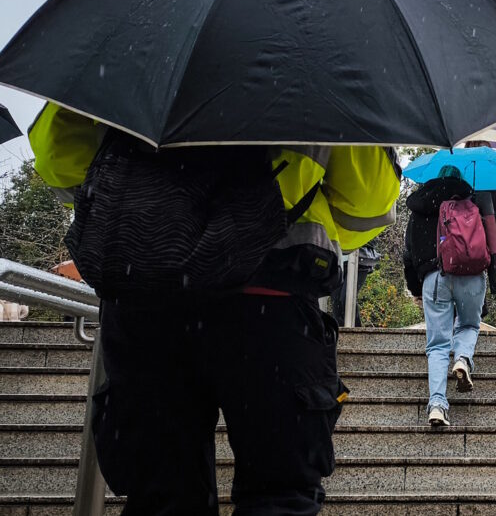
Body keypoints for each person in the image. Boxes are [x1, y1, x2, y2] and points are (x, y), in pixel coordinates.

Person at [29, 102, 401, 515]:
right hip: (268, 302)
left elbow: (59, 160)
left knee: (162, 495)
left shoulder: (124, 49)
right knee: (280, 494)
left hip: (146, 296)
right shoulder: (316, 69)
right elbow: (368, 201)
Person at [402, 166, 486, 427]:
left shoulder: (420, 208)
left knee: (438, 344)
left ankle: (437, 404)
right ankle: (462, 358)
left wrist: (417, 287)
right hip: (471, 275)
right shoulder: (473, 202)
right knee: (470, 324)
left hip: (434, 277)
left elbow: (409, 254)